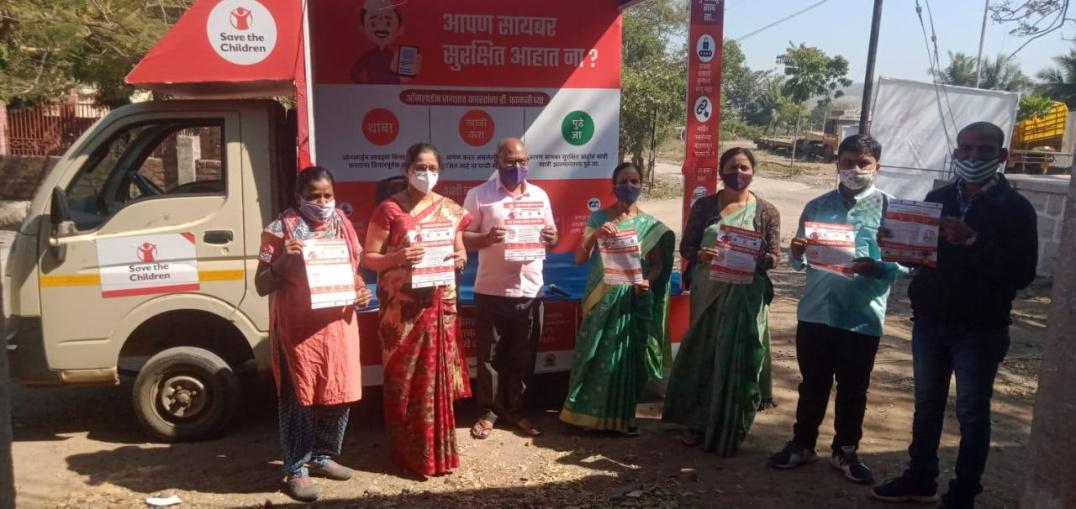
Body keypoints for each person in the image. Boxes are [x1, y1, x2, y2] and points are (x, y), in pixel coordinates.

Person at [872, 122, 1038, 508]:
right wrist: (896, 245)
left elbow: (1022, 273)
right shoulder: (938, 197)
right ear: (956, 153)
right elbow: (924, 259)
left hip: (981, 326)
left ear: (1002, 157)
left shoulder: (1016, 208)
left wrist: (974, 240)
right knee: (926, 404)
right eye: (967, 148)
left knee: (971, 413)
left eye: (985, 149)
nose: (974, 156)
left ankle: (963, 493)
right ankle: (920, 478)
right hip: (931, 318)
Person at [768, 134, 907, 484]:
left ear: (878, 167)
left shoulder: (892, 209)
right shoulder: (816, 206)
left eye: (863, 164)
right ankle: (803, 444)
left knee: (853, 387)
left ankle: (845, 451)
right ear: (837, 165)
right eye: (847, 163)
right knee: (812, 383)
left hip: (861, 317)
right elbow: (798, 261)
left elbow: (905, 263)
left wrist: (878, 268)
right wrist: (798, 253)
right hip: (815, 311)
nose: (854, 170)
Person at [255, 166, 373, 502]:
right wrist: (280, 263)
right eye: (313, 196)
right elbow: (261, 284)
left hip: (338, 327)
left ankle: (323, 456)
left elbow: (355, 272)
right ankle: (296, 467)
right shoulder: (279, 230)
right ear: (298, 197)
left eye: (327, 195)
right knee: (299, 400)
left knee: (338, 393)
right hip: (298, 333)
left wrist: (362, 290)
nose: (322, 202)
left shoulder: (342, 223)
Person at [661, 147, 781, 455]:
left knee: (739, 355)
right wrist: (700, 254)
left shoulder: (767, 212)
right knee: (704, 351)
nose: (738, 173)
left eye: (744, 167)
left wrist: (758, 257)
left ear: (753, 171)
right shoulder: (704, 207)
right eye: (732, 167)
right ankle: (697, 421)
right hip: (708, 289)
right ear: (721, 171)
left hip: (746, 294)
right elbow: (686, 248)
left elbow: (774, 258)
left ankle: (734, 419)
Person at [363, 143, 471, 477]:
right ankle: (407, 453)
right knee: (404, 381)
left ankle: (437, 453)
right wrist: (397, 259)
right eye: (420, 167)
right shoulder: (389, 209)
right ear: (407, 168)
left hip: (438, 307)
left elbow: (460, 253)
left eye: (432, 167)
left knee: (435, 383)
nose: (427, 173)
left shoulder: (450, 209)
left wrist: (460, 258)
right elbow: (368, 257)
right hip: (402, 313)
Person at [559, 162, 675, 434]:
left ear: (642, 185)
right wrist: (595, 236)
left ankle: (623, 418)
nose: (629, 186)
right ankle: (583, 416)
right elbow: (579, 258)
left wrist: (648, 280)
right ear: (613, 185)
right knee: (593, 354)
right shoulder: (599, 219)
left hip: (632, 302)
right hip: (601, 299)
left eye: (634, 181)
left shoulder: (651, 227)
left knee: (626, 359)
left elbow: (657, 265)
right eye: (623, 181)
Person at [463, 137, 558, 439]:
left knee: (524, 355)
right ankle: (489, 412)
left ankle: (517, 410)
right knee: (489, 357)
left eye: (522, 161)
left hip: (530, 289)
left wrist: (552, 236)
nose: (516, 167)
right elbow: (464, 237)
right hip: (491, 290)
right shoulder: (479, 195)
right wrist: (487, 238)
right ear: (496, 162)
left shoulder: (540, 196)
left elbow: (551, 239)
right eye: (509, 161)